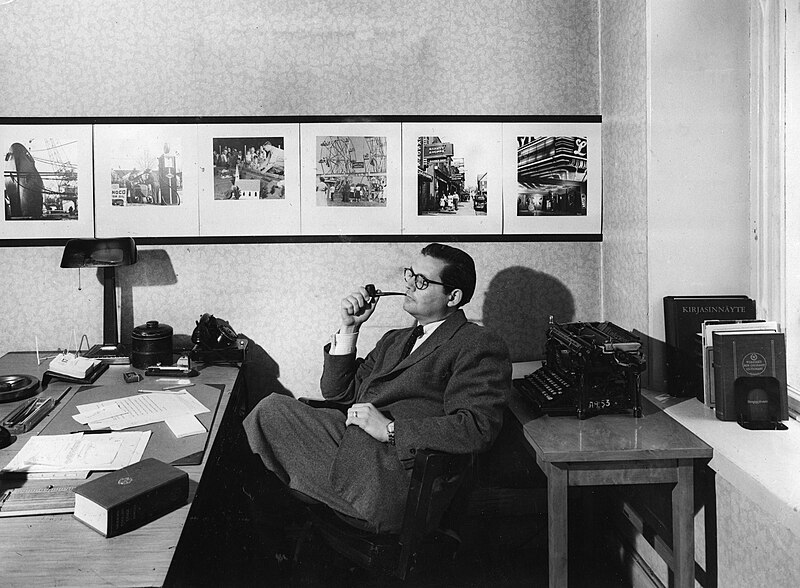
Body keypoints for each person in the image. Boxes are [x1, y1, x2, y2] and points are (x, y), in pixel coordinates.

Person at [244, 243, 512, 533]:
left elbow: (477, 427)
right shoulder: (394, 339)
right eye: (410, 275)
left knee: (267, 421)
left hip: (391, 476)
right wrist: (349, 327)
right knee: (269, 413)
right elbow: (339, 393)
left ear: (453, 296)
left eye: (421, 281)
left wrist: (390, 430)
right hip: (353, 448)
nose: (409, 285)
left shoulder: (476, 344)